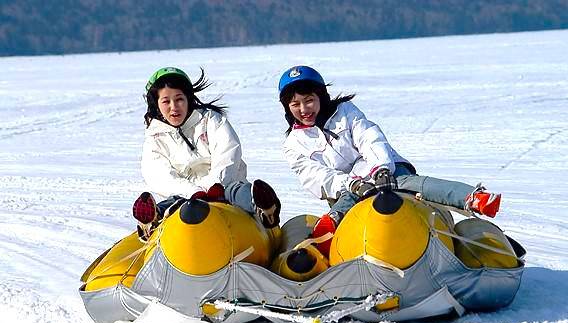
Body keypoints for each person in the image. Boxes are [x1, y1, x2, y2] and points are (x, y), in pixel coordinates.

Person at [278, 65, 501, 256]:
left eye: (309, 100)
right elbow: (316, 176)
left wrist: (381, 169)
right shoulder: (294, 145)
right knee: (349, 198)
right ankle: (326, 233)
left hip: (386, 168)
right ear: (287, 107)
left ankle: (473, 198)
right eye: (295, 104)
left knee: (404, 184)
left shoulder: (345, 112)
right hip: (348, 187)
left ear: (321, 97)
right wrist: (351, 183)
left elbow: (369, 137)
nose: (304, 109)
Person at [133, 66, 280, 240]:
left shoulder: (210, 119)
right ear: (156, 105)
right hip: (186, 195)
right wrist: (192, 191)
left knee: (238, 191)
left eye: (179, 99)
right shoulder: (155, 136)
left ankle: (263, 207)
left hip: (223, 186)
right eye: (166, 102)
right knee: (172, 204)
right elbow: (158, 174)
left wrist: (215, 185)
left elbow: (228, 152)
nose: (174, 107)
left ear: (188, 98)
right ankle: (152, 220)